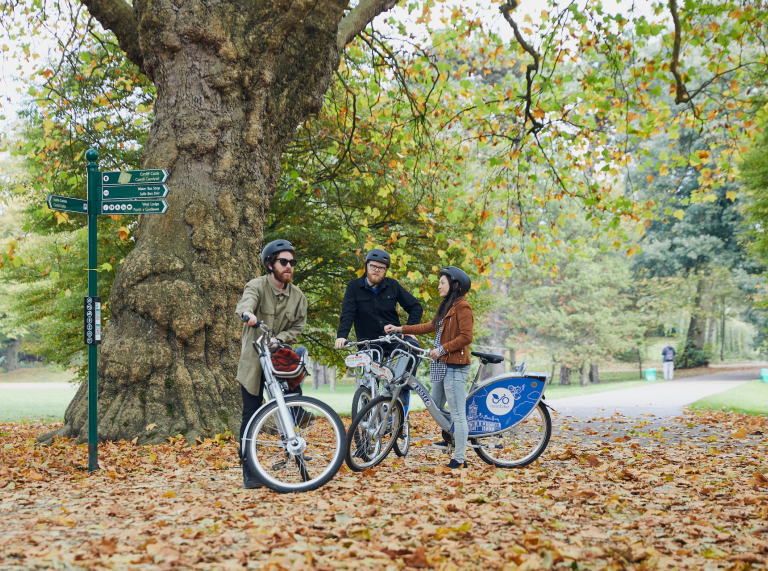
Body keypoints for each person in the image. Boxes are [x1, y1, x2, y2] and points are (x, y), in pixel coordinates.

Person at [235, 239, 308, 489]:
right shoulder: (256, 285)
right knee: (251, 414)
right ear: (270, 265)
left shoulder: (298, 296)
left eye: (292, 262)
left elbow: (298, 327)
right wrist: (248, 315)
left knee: (291, 403)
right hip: (254, 361)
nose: (289, 266)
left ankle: (296, 443)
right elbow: (245, 303)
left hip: (279, 360)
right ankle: (249, 469)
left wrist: (281, 339)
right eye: (283, 262)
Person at [385, 266, 474, 470]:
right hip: (443, 365)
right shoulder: (447, 306)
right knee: (435, 407)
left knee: (458, 414)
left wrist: (442, 349)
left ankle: (460, 458)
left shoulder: (463, 307)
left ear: (455, 285)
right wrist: (401, 329)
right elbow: (429, 326)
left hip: (455, 367)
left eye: (442, 282)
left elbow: (466, 337)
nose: (438, 286)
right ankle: (451, 435)